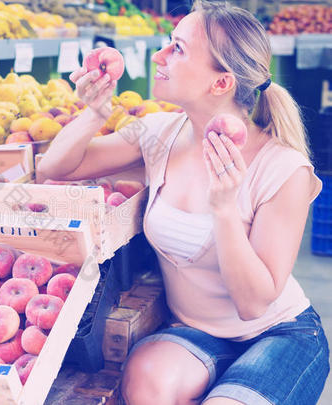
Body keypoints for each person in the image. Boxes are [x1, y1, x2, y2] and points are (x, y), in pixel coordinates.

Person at [37, 1, 330, 404]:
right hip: (195, 334)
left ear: (221, 83)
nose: (159, 56)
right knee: (143, 382)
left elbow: (252, 304)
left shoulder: (284, 168)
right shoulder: (159, 134)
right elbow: (53, 168)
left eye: (177, 47)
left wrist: (225, 210)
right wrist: (95, 111)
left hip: (280, 333)